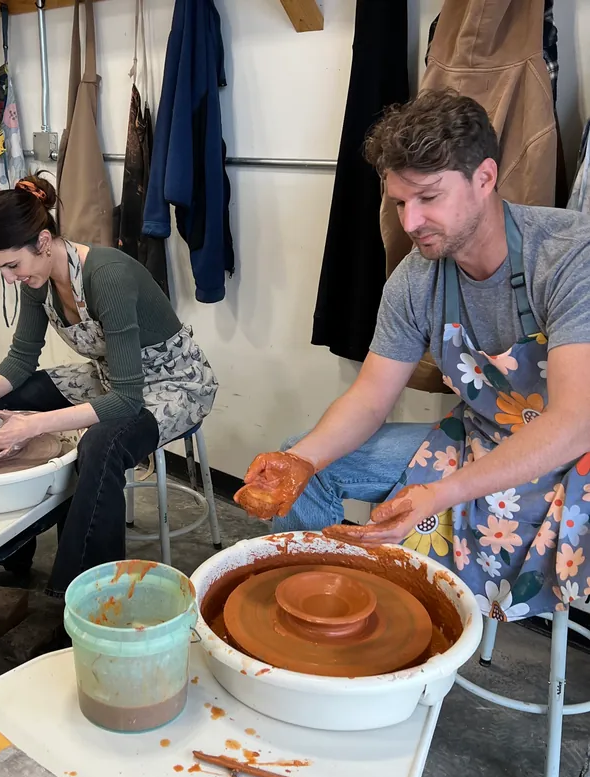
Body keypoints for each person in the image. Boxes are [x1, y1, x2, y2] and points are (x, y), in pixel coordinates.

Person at [235, 89, 590, 621]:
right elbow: (371, 398)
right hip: (479, 438)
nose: (409, 221)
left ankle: (414, 630)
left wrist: (442, 493)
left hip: (573, 462)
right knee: (304, 464)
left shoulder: (567, 256)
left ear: (485, 178)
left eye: (428, 197)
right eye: (400, 202)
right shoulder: (417, 277)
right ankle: (320, 613)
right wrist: (302, 459)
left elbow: (574, 422)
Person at [0, 173, 217, 597]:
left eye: (11, 266)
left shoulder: (106, 276)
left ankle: (81, 593)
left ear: (42, 241)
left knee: (100, 444)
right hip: (115, 376)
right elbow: (21, 358)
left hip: (174, 383)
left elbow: (126, 401)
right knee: (13, 399)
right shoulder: (37, 281)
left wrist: (36, 426)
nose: (8, 279)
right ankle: (3, 555)